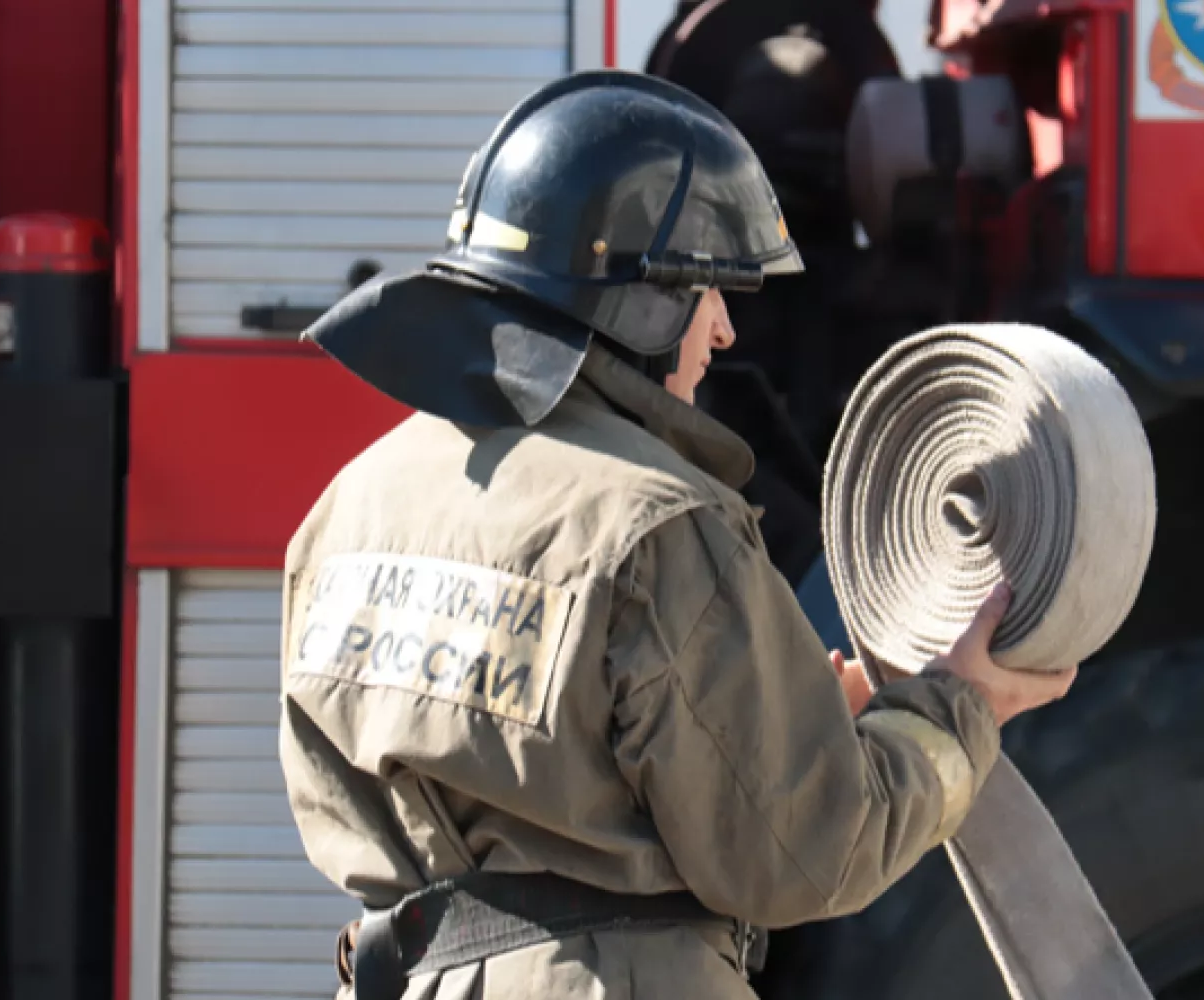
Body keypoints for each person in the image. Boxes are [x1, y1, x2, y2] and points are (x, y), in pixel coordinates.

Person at [282, 69, 1079, 1000]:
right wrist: (959, 706)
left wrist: (774, 724)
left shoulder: (350, 507)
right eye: (710, 291)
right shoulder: (660, 523)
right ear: (643, 301)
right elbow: (803, 856)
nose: (728, 330)